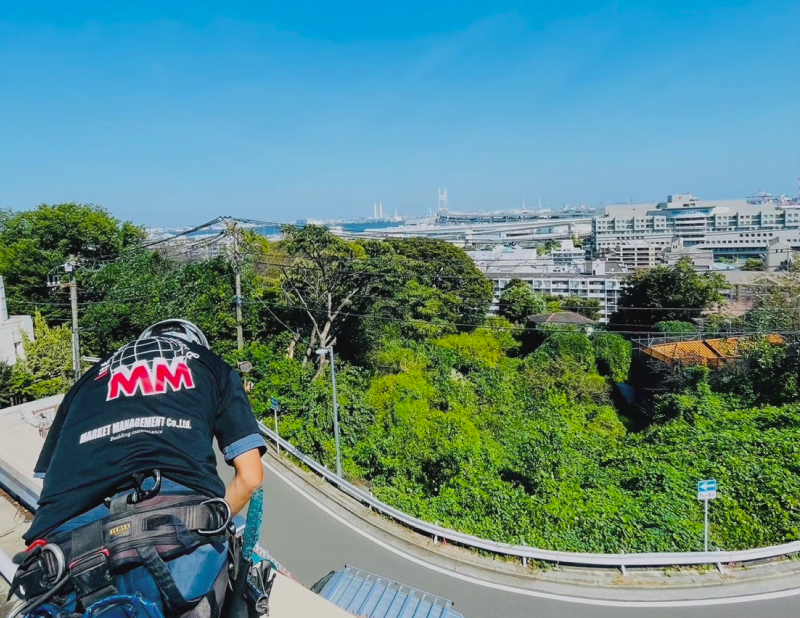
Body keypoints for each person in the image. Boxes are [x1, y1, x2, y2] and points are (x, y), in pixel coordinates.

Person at [21, 319, 266, 617]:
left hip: (62, 555)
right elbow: (250, 478)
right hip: (175, 538)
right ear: (195, 344)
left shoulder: (85, 381)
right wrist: (211, 523)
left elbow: (52, 483)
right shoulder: (212, 365)